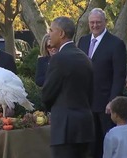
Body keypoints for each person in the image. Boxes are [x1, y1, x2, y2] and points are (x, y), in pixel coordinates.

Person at [42, 16, 95, 158]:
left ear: (61, 33)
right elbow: (90, 93)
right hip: (85, 127)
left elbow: (47, 94)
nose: (49, 34)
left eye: (51, 30)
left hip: (64, 129)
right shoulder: (86, 58)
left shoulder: (59, 59)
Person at [77, 8, 127, 158]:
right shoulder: (83, 41)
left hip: (106, 104)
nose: (95, 25)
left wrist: (113, 101)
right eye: (92, 22)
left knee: (107, 142)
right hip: (86, 102)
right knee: (90, 143)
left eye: (98, 22)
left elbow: (119, 75)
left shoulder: (116, 44)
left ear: (105, 22)